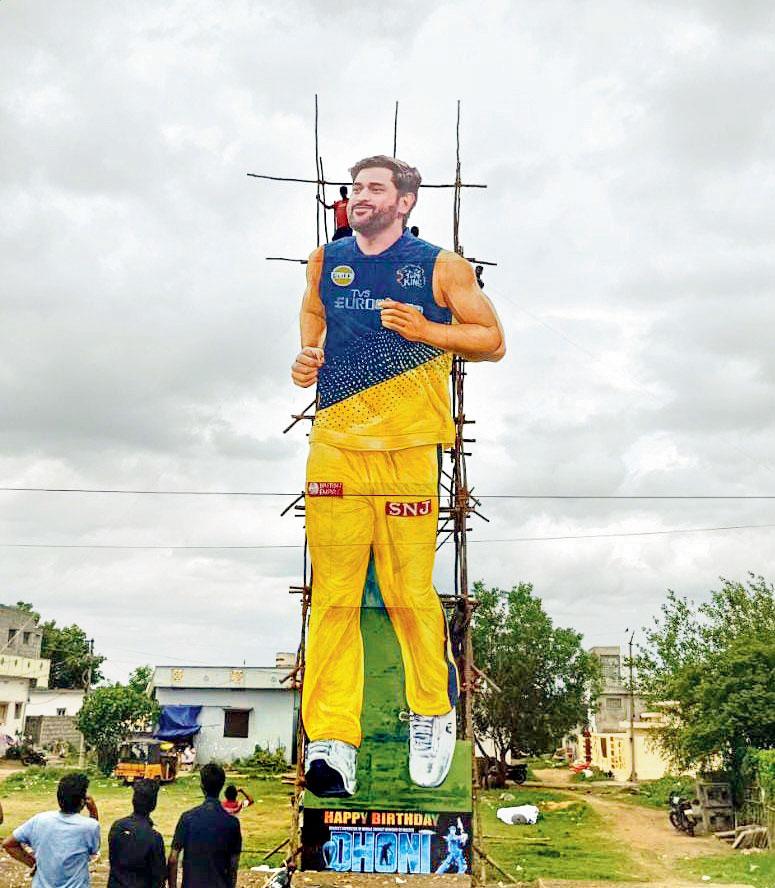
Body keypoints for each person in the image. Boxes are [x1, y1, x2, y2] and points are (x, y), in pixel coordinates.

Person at [291, 155, 505, 798]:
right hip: (336, 444)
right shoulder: (325, 260)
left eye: (374, 188)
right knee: (334, 595)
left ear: (404, 201)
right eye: (356, 187)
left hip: (408, 449)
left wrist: (428, 329)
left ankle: (432, 712)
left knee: (408, 591)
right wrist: (308, 355)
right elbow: (313, 315)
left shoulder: (441, 265)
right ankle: (333, 740)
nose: (360, 195)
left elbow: (492, 340)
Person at [3, 772, 100, 887]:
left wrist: (33, 863)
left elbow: (8, 844)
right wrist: (93, 811)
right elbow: (93, 850)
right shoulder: (89, 826)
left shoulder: (40, 820)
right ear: (82, 801)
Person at [167, 763, 241, 888]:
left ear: (202, 786)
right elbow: (233, 866)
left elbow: (173, 859)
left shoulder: (187, 818)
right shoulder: (232, 823)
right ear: (222, 786)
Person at [108, 778, 166, 888]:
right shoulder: (154, 838)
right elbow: (159, 877)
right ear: (153, 804)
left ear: (133, 800)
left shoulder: (117, 826)